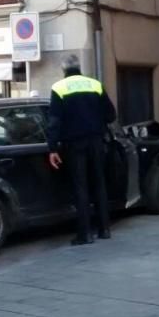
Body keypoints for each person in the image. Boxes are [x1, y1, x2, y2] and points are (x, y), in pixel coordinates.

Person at [46, 54, 117, 245]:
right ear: (79, 67)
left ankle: (85, 234)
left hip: (74, 144)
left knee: (81, 186)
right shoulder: (95, 84)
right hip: (96, 141)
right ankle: (105, 230)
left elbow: (54, 121)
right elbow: (111, 115)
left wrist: (52, 148)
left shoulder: (59, 88)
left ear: (64, 69)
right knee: (99, 184)